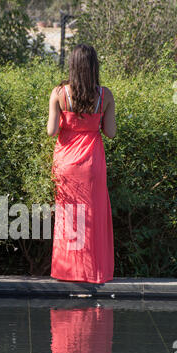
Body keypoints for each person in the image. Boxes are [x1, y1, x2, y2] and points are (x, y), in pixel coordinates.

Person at [47, 44, 116, 283]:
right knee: (93, 216)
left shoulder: (58, 93)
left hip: (65, 162)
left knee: (69, 216)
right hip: (92, 162)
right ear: (94, 66)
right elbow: (110, 132)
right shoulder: (105, 95)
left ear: (72, 66)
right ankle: (92, 273)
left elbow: (51, 130)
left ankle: (68, 272)